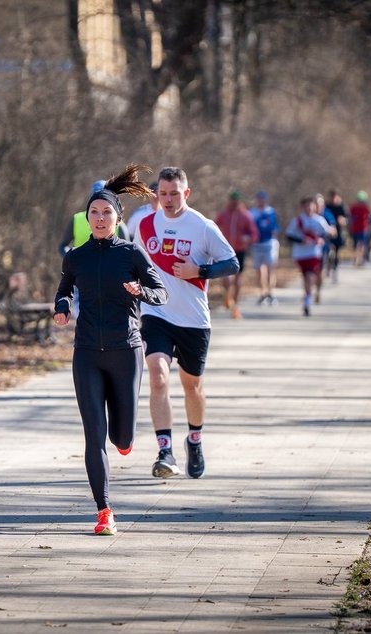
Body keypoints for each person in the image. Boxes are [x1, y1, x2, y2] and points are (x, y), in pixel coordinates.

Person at [53, 164, 168, 536]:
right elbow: (64, 290)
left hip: (125, 351)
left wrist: (142, 291)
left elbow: (161, 293)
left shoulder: (132, 254)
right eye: (94, 213)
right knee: (94, 434)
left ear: (118, 218)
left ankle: (126, 440)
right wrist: (62, 307)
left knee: (122, 437)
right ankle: (104, 511)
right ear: (87, 218)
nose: (100, 218)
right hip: (86, 352)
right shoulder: (76, 256)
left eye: (106, 213)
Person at [131, 166, 239, 480]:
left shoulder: (202, 227)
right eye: (163, 194)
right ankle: (164, 451)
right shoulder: (146, 225)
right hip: (156, 314)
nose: (168, 199)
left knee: (192, 386)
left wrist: (199, 271)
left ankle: (194, 438)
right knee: (158, 377)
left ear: (186, 193)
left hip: (193, 319)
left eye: (174, 194)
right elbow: (136, 265)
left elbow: (232, 263)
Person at [285, 196, 334, 317]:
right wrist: (301, 240)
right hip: (300, 254)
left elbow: (327, 233)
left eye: (310, 206)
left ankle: (307, 301)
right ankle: (308, 295)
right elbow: (289, 236)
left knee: (310, 276)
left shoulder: (319, 220)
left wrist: (321, 239)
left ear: (314, 207)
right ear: (302, 208)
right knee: (306, 277)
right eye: (306, 206)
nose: (309, 208)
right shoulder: (297, 221)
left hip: (314, 253)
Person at [215, 190, 257, 319]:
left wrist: (247, 238)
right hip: (225, 250)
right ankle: (227, 296)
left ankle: (235, 305)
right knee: (226, 279)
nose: (234, 203)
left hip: (239, 250)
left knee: (238, 279)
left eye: (237, 201)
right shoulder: (224, 214)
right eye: (233, 200)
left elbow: (254, 233)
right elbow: (213, 226)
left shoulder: (245, 216)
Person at [59, 180, 129, 256]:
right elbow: (63, 246)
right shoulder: (76, 219)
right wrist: (71, 258)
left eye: (106, 211)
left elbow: (126, 252)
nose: (100, 218)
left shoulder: (120, 226)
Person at [249, 190, 280, 305]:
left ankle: (271, 293)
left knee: (270, 268)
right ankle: (263, 292)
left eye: (263, 199)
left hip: (269, 243)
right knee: (259, 270)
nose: (261, 201)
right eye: (259, 199)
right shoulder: (252, 213)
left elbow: (276, 228)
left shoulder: (271, 212)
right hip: (257, 244)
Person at [323, 190, 348, 282]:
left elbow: (347, 218)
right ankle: (328, 266)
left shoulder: (341, 206)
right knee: (329, 251)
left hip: (338, 233)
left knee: (336, 252)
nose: (334, 199)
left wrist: (343, 221)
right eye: (332, 197)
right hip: (327, 233)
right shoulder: (326, 206)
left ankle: (335, 270)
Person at [349, 190, 371, 266]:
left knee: (362, 244)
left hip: (363, 229)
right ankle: (356, 258)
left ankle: (361, 258)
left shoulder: (366, 208)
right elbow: (350, 218)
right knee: (355, 245)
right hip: (355, 229)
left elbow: (369, 219)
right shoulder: (354, 208)